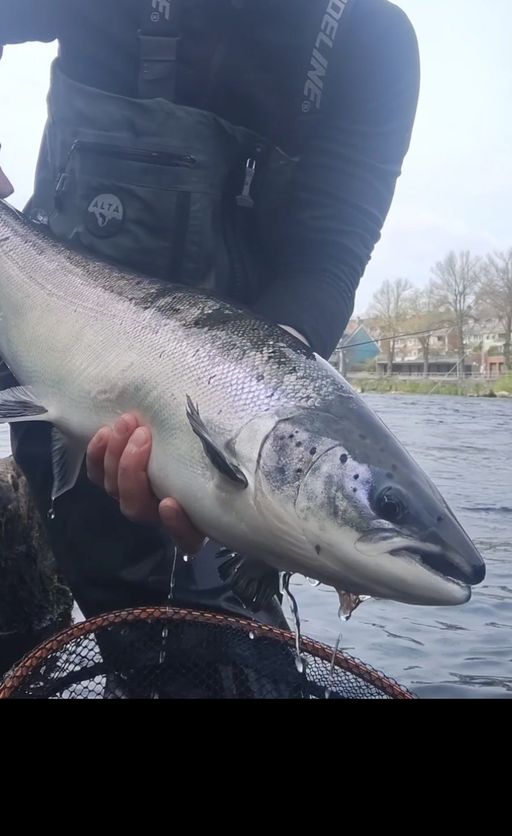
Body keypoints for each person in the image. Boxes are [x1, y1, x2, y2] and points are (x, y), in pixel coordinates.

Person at [0, 0, 420, 629]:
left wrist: (253, 396)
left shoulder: (370, 41)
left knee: (211, 642)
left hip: (198, 424)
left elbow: (327, 260)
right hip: (31, 307)